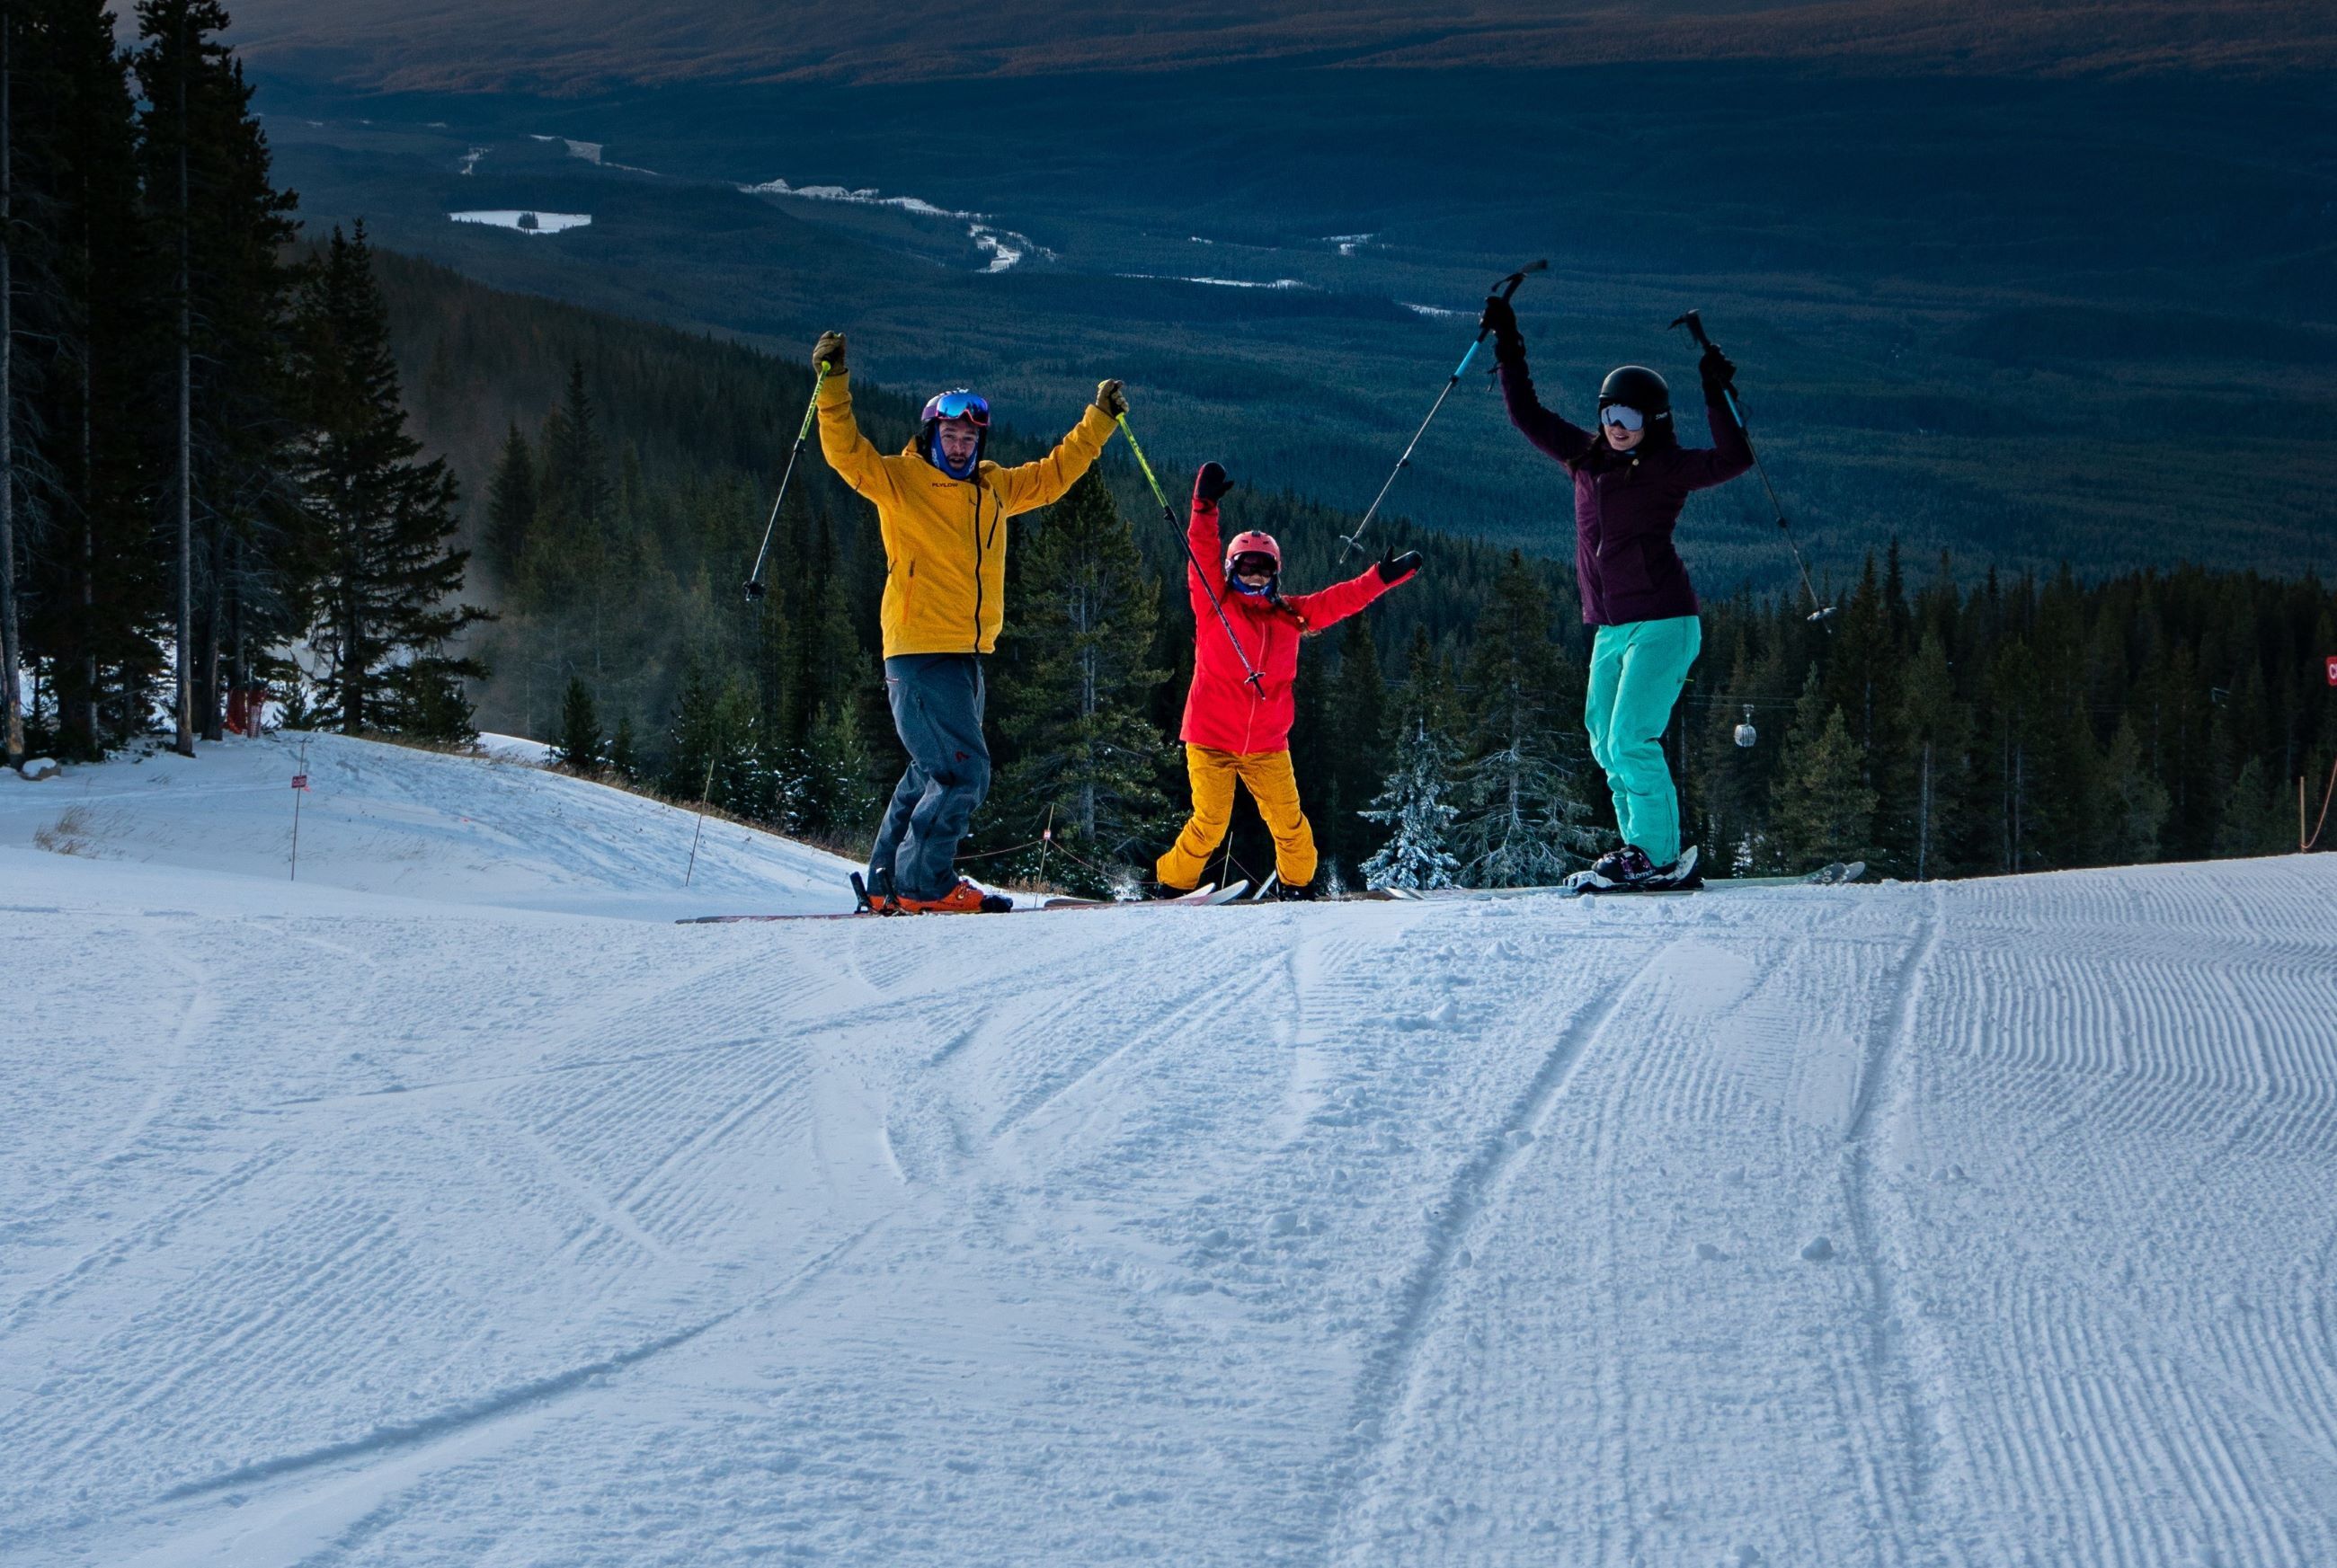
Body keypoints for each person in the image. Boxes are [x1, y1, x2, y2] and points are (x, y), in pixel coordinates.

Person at [812, 329, 1125, 913]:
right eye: (950, 435)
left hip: (964, 653)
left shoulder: (995, 489)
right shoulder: (901, 482)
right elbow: (844, 452)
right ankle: (924, 885)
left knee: (930, 768)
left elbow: (1056, 474)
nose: (959, 446)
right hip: (920, 650)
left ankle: (886, 884)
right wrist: (833, 385)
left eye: (969, 437)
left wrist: (1099, 421)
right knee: (964, 772)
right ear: (932, 435)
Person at [1480, 294, 1752, 889]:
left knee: (1633, 736)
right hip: (1609, 625)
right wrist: (1509, 342)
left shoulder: (1669, 466)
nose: (1616, 428)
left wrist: (1715, 392)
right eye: (1609, 414)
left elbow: (1736, 457)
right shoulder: (1585, 458)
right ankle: (1640, 850)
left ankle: (1655, 854)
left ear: (1652, 421)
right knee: (1605, 742)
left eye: (1629, 419)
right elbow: (1527, 414)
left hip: (1664, 620)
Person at [1155, 461, 1419, 899]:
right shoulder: (1212, 603)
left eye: (1262, 570)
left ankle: (1297, 886)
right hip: (1210, 738)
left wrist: (1380, 579)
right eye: (1245, 569)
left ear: (1275, 572)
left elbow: (1341, 600)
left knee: (1289, 822)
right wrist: (1204, 507)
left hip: (1266, 744)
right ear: (1230, 570)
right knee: (1210, 823)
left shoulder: (1291, 616)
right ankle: (1170, 884)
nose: (1253, 578)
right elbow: (1200, 550)